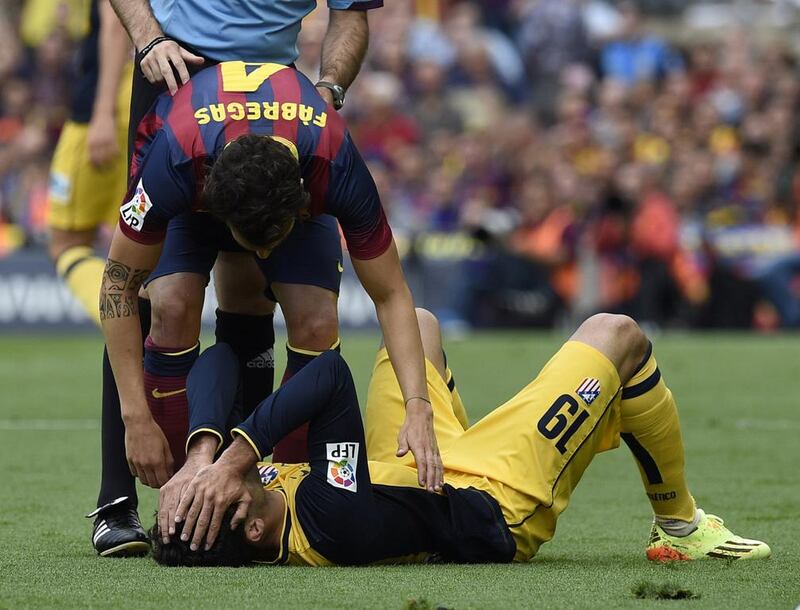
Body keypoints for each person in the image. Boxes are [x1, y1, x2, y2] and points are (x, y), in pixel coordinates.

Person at [97, 60, 443, 555]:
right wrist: (136, 418)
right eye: (249, 243)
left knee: (317, 320)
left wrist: (418, 406)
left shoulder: (335, 161)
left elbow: (391, 293)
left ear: (302, 205)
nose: (262, 257)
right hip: (199, 163)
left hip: (286, 163)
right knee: (171, 304)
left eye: (271, 243)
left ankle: (292, 481)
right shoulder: (173, 159)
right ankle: (184, 485)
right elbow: (117, 288)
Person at [150, 310, 770, 566]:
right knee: (618, 334)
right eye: (219, 496)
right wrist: (237, 457)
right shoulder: (328, 519)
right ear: (254, 531)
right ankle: (681, 527)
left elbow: (222, 357)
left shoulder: (238, 492)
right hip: (490, 502)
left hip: (413, 473)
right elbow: (329, 377)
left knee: (414, 326)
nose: (221, 485)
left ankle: (461, 423)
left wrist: (201, 454)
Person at [47, 0, 131, 327]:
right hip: (134, 107)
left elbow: (115, 23)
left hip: (102, 112)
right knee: (127, 241)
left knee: (65, 244)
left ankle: (125, 325)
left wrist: (102, 114)